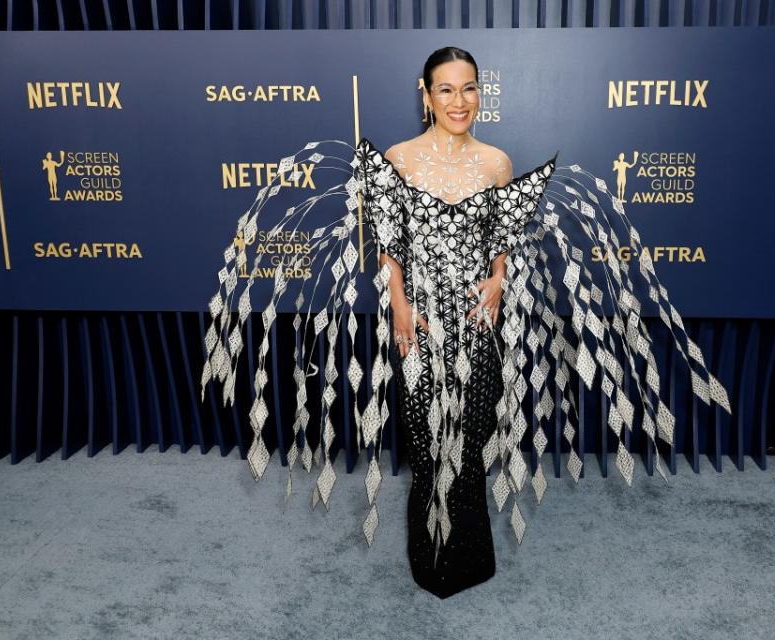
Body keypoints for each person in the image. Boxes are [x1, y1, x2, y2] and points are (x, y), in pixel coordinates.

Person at [201, 46, 732, 600]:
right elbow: (392, 246)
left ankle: (472, 554)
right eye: (447, 90)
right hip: (423, 325)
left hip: (478, 325)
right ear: (426, 95)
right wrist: (400, 305)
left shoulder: (496, 162)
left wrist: (500, 279)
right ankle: (429, 555)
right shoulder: (400, 159)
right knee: (427, 438)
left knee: (473, 436)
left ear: (481, 93)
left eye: (470, 88)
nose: (460, 101)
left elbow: (499, 240)